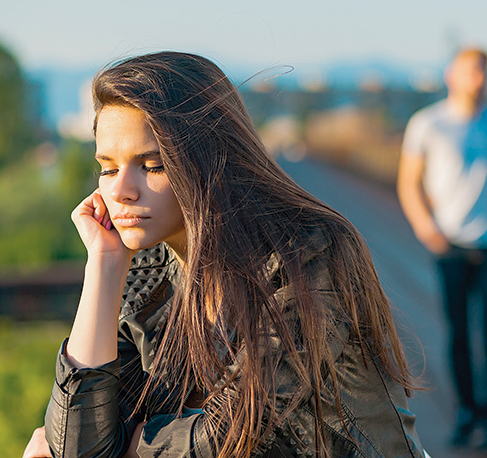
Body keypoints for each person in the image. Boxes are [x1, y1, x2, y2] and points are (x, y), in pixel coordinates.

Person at [23, 51, 427, 458]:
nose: (120, 190)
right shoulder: (147, 272)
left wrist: (125, 446)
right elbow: (78, 446)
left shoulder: (307, 255)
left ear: (209, 161)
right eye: (108, 168)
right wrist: (104, 265)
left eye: (152, 165)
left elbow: (235, 431)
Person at [397, 48, 487, 452]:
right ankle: (466, 410)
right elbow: (408, 181)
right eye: (471, 71)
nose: (478, 78)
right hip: (451, 244)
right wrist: (427, 228)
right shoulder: (427, 123)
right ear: (451, 75)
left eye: (483, 72)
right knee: (459, 331)